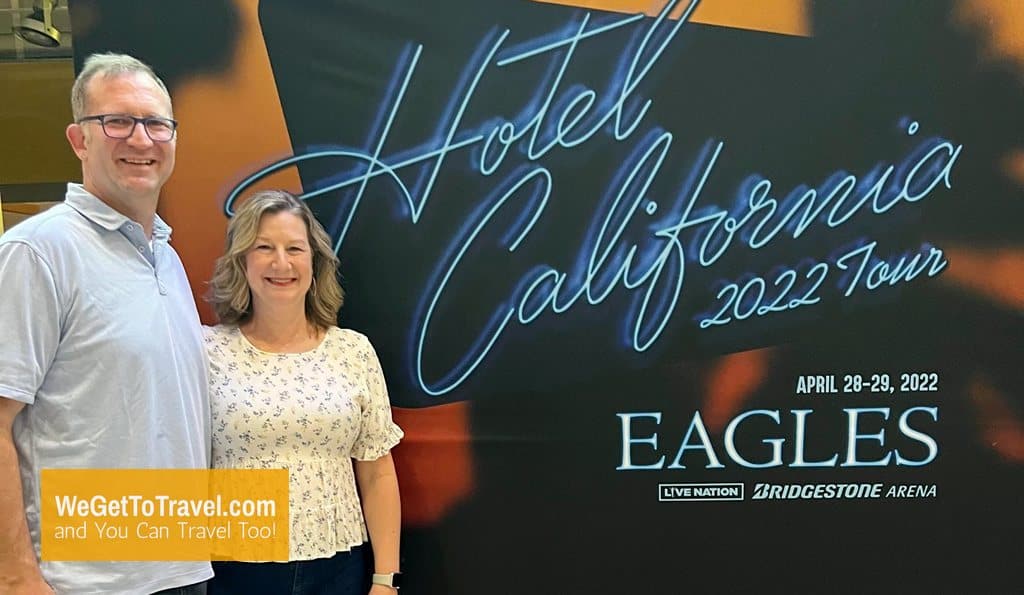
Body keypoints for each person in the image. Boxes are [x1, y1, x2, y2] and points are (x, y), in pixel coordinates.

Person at [0, 53, 211, 593]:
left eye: (156, 123)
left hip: (179, 568)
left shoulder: (165, 254)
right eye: (116, 121)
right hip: (83, 581)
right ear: (79, 140)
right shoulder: (37, 251)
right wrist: (18, 576)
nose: (141, 139)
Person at [204, 190, 403, 594]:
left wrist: (386, 581)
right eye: (264, 248)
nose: (281, 263)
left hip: (338, 568)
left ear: (315, 262)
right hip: (234, 571)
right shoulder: (205, 351)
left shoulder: (353, 351)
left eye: (295, 248)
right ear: (242, 260)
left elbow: (377, 472)